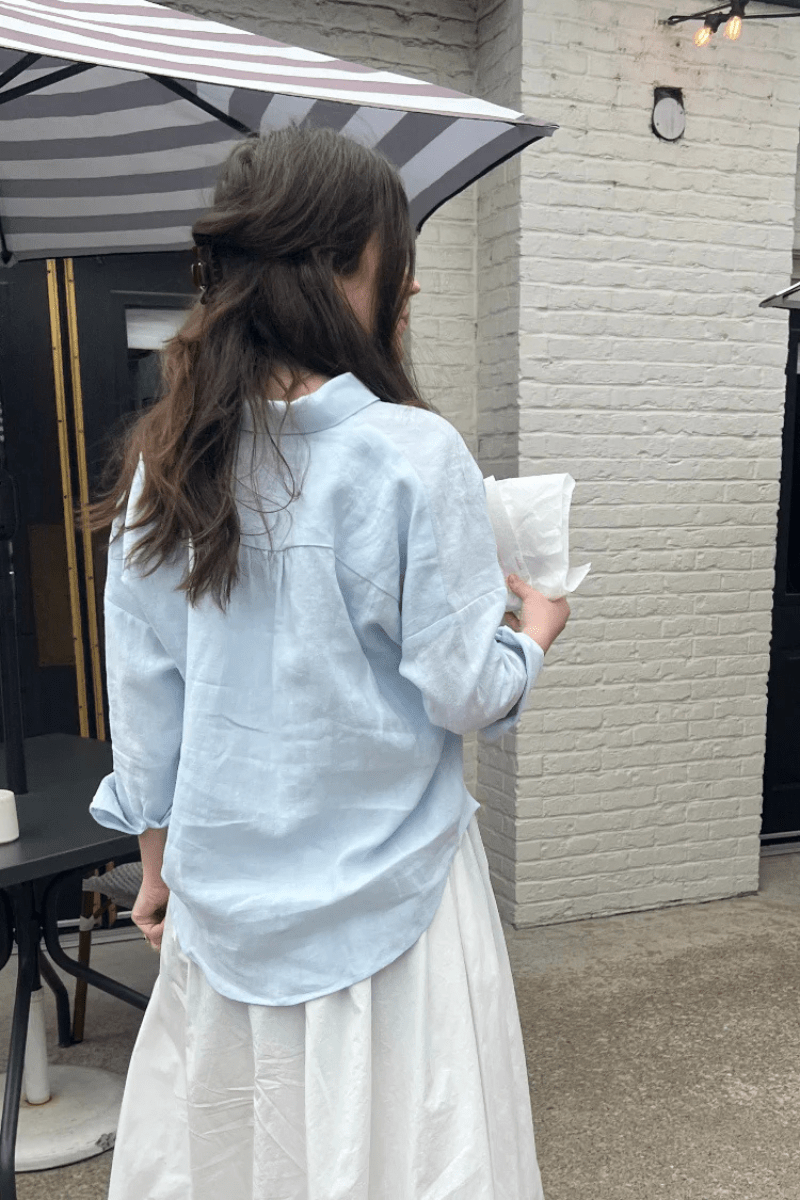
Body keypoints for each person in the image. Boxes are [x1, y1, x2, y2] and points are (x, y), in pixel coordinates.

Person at [85, 125, 570, 1200]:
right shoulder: (411, 453)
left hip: (223, 899)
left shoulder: (171, 459)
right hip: (395, 901)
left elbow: (147, 692)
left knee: (238, 1154)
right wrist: (535, 630)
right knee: (404, 1151)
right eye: (399, 257)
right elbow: (465, 691)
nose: (410, 285)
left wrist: (155, 865)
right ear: (341, 264)